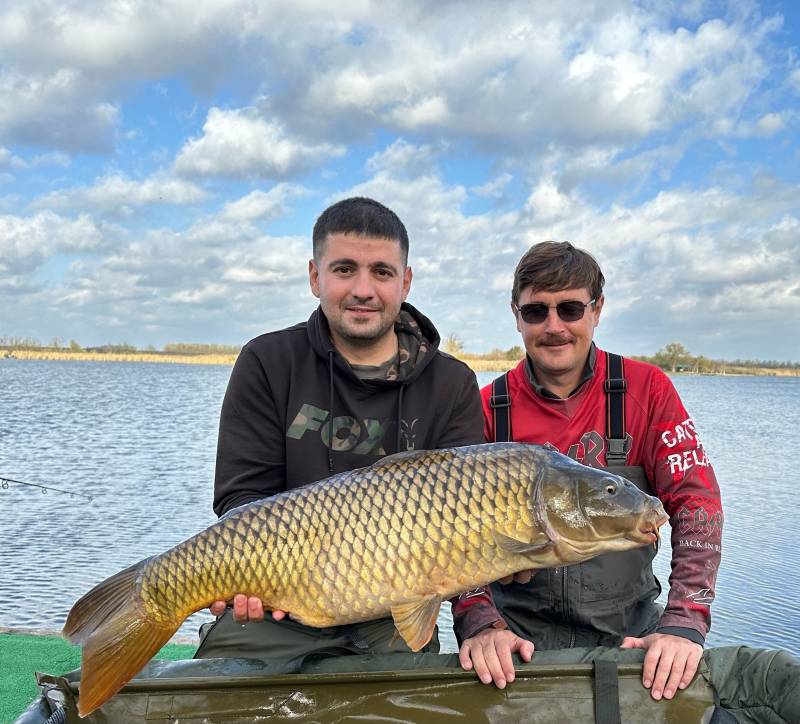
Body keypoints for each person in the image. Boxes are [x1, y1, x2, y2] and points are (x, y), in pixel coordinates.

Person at [194, 196, 484, 664]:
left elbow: (468, 527)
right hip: (278, 606)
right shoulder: (268, 362)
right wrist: (253, 575)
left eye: (382, 273)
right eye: (345, 269)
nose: (363, 290)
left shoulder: (451, 384)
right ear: (315, 277)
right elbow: (241, 498)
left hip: (393, 613)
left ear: (405, 282)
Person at [453, 241, 723, 702]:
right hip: (515, 640)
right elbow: (445, 535)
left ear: (597, 310)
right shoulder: (486, 408)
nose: (554, 326)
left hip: (630, 632)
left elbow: (696, 502)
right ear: (516, 315)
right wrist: (479, 621)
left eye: (570, 309)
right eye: (536, 312)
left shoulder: (648, 389)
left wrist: (684, 621)